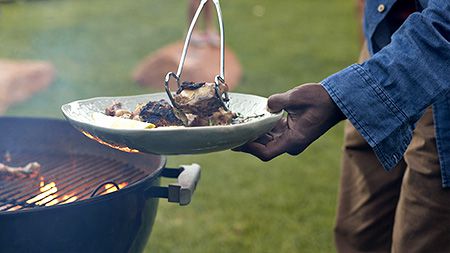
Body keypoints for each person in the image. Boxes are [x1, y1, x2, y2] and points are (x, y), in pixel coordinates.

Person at [235, 0, 450, 252]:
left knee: (420, 236)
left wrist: (342, 98)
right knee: (357, 232)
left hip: (436, 60)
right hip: (384, 40)